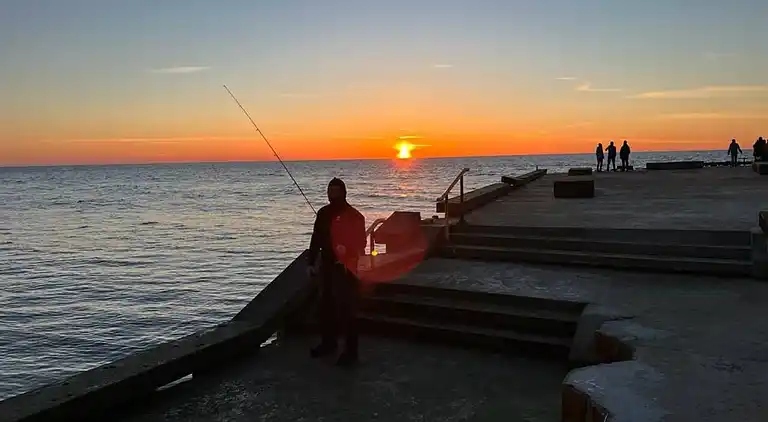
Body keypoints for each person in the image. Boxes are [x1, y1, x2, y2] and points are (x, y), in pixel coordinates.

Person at [307, 177, 366, 366]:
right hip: (326, 265)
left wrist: (347, 250)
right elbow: (316, 238)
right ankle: (328, 343)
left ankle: (351, 352)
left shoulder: (355, 216)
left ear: (343, 193)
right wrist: (311, 262)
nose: (332, 194)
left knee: (347, 310)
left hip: (346, 269)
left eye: (336, 191)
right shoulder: (323, 213)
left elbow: (361, 243)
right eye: (330, 191)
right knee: (325, 307)